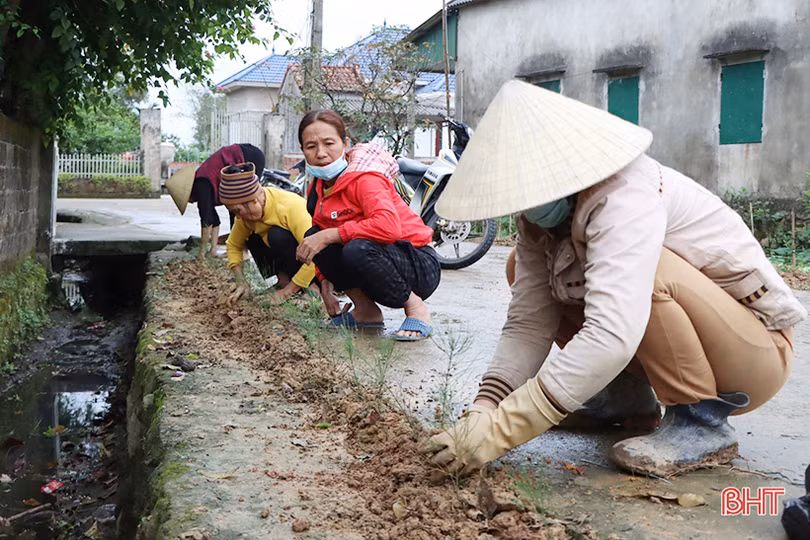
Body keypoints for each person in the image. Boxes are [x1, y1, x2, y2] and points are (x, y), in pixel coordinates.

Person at [423, 80, 806, 477]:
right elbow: (528, 323)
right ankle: (625, 401)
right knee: (519, 264)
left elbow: (611, 333)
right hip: (688, 343)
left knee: (647, 271)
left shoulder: (625, 194)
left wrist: (502, 432)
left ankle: (700, 421)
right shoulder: (539, 221)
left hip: (753, 353)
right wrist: (484, 410)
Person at [294, 110, 441, 341]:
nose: (321, 153)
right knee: (314, 235)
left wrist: (332, 235)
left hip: (418, 264)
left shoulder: (365, 178)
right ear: (303, 151)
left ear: (346, 143)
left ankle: (416, 308)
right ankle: (365, 312)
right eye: (310, 146)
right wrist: (324, 283)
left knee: (352, 246)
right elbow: (320, 237)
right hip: (376, 259)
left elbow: (388, 227)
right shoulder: (317, 189)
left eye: (329, 143)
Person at [219, 163, 317, 305]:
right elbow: (233, 245)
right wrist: (241, 281)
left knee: (276, 235)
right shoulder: (245, 217)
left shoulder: (289, 207)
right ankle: (283, 282)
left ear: (254, 201)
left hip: (320, 267)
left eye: (237, 211)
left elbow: (316, 253)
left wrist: (286, 293)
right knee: (253, 237)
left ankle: (313, 289)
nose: (238, 217)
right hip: (297, 263)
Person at [166, 143, 265, 261]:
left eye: (187, 200)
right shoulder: (202, 181)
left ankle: (242, 252)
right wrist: (212, 251)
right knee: (235, 206)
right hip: (249, 154)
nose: (191, 202)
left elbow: (206, 221)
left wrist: (202, 253)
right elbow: (214, 221)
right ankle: (236, 250)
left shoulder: (201, 184)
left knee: (240, 208)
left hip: (248, 156)